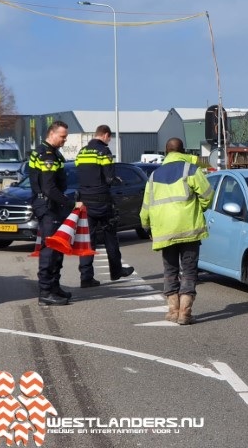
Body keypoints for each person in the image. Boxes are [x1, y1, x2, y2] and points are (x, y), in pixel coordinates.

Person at [139, 138, 213, 325]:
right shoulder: (191, 170)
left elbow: (146, 207)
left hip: (165, 231)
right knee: (189, 270)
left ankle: (172, 310)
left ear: (166, 152)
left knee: (170, 270)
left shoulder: (154, 176)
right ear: (183, 151)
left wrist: (147, 226)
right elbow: (208, 195)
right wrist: (200, 209)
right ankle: (185, 313)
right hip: (189, 228)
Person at [29, 120, 83, 306]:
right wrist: (70, 203)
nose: (64, 140)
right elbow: (49, 188)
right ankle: (45, 292)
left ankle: (54, 286)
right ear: (52, 134)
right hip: (48, 206)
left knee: (57, 247)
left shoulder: (51, 153)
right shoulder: (47, 155)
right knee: (50, 249)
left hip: (52, 206)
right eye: (62, 136)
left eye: (66, 137)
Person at [75, 124, 134, 288]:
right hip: (102, 200)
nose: (110, 141)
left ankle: (86, 277)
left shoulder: (82, 152)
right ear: (106, 135)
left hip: (85, 200)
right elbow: (109, 178)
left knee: (88, 240)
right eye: (110, 138)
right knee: (110, 236)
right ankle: (116, 271)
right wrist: (117, 180)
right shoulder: (104, 152)